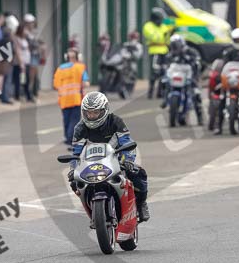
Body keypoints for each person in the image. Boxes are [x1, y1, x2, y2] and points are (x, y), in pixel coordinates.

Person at [71, 91, 150, 223]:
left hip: (116, 159)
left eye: (95, 112)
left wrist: (128, 161)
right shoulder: (80, 128)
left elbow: (127, 142)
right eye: (88, 113)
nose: (91, 116)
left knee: (139, 174)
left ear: (104, 110)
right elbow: (76, 153)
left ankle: (141, 204)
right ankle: (91, 207)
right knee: (74, 182)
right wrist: (73, 168)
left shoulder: (116, 121)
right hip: (90, 164)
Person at [162, 33, 203, 123]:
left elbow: (198, 61)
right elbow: (167, 63)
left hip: (189, 75)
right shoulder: (170, 54)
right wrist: (164, 67)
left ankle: (200, 117)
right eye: (173, 45)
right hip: (176, 75)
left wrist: (194, 62)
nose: (174, 47)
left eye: (176, 45)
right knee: (165, 82)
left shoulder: (191, 51)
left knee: (196, 93)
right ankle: (165, 99)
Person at [53, 48, 90, 147]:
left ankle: (67, 137)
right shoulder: (80, 67)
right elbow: (86, 83)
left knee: (66, 119)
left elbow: (56, 85)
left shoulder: (60, 68)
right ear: (79, 56)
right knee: (74, 120)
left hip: (64, 99)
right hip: (75, 99)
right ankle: (71, 138)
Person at [142, 7, 172, 99]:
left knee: (164, 72)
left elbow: (168, 40)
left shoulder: (163, 26)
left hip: (165, 51)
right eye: (159, 20)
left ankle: (160, 92)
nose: (160, 22)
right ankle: (150, 92)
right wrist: (164, 35)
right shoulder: (148, 26)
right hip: (155, 51)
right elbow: (154, 37)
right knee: (155, 72)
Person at [24, 13, 42, 99]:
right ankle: (28, 93)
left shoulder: (34, 32)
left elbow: (39, 42)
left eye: (32, 22)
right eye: (30, 23)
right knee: (29, 76)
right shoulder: (24, 32)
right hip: (28, 56)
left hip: (35, 55)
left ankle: (34, 91)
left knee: (34, 75)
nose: (32, 24)